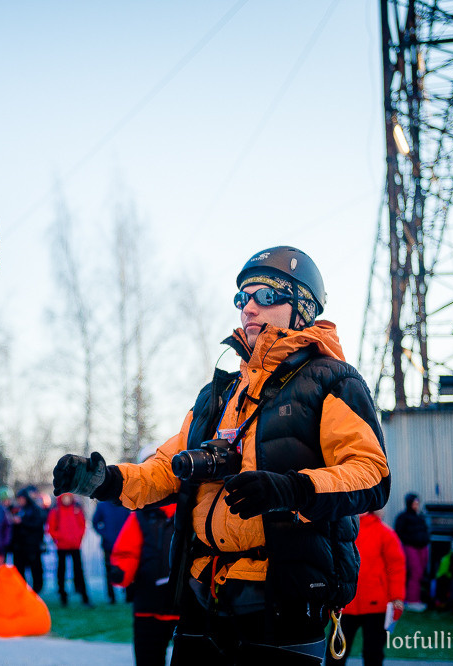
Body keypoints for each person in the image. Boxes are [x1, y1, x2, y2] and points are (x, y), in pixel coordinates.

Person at [53, 246, 390, 664]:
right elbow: (165, 470)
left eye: (265, 295)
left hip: (284, 597)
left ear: (302, 305)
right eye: (242, 297)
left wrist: (292, 489)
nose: (248, 307)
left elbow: (371, 473)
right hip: (202, 597)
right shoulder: (219, 394)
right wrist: (103, 480)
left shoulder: (332, 380)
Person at [109, 446, 179, 666]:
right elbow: (128, 549)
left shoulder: (189, 508)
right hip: (149, 598)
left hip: (184, 601)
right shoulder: (141, 515)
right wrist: (121, 570)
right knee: (148, 656)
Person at [326, 510, 405, 666]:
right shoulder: (338, 529)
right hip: (345, 604)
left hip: (375, 605)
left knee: (372, 654)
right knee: (336, 655)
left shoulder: (384, 533)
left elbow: (395, 567)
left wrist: (396, 598)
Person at [48, 492, 93, 607]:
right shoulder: (56, 511)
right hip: (62, 546)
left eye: (68, 497)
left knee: (79, 571)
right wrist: (59, 538)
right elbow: (51, 529)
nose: (67, 500)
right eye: (65, 498)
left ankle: (83, 595)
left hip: (75, 546)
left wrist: (78, 538)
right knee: (61, 571)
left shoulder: (77, 510)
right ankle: (63, 595)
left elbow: (82, 526)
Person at [393, 492, 430, 611]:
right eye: (414, 503)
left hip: (422, 547)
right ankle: (412, 600)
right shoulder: (403, 517)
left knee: (420, 573)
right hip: (410, 547)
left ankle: (417, 599)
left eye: (417, 503)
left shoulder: (420, 517)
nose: (416, 505)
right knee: (415, 572)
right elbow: (399, 532)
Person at [93, 492, 131, 604]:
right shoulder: (102, 505)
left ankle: (128, 595)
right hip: (108, 545)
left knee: (126, 569)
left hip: (124, 544)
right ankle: (111, 597)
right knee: (109, 571)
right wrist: (105, 534)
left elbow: (130, 521)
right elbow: (95, 522)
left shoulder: (124, 503)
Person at [11, 485, 48, 593]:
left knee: (35, 569)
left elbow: (37, 525)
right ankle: (22, 589)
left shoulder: (35, 509)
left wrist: (22, 522)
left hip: (32, 545)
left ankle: (37, 589)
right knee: (20, 569)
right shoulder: (17, 509)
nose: (20, 501)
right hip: (20, 546)